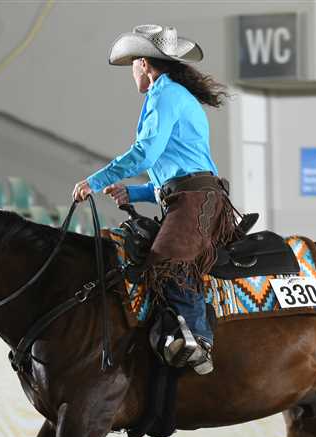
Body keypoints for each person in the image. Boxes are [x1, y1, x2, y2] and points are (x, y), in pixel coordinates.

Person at [71, 24, 237, 375]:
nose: (132, 71)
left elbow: (145, 154)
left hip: (196, 200)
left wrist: (95, 181)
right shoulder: (171, 94)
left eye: (133, 64)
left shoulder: (166, 96)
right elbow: (176, 172)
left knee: (167, 259)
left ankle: (199, 340)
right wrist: (134, 192)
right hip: (192, 195)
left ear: (144, 64)